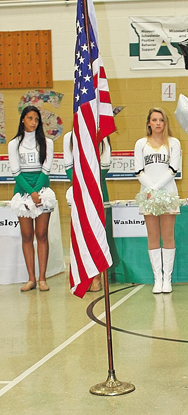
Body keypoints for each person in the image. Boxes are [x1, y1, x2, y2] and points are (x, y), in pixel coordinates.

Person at [8, 105, 55, 292]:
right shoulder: (14, 144)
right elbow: (16, 172)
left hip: (43, 192)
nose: (33, 123)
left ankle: (43, 278)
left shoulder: (47, 143)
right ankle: (31, 278)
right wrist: (30, 194)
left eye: (36, 119)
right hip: (22, 193)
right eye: (30, 118)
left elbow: (46, 169)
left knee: (42, 235)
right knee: (27, 236)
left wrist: (37, 193)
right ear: (22, 120)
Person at [134, 107, 181, 294]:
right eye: (154, 120)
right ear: (148, 123)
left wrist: (156, 188)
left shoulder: (174, 143)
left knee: (168, 236)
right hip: (147, 195)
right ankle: (157, 279)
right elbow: (138, 170)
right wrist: (151, 190)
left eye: (161, 120)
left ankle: (167, 279)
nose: (158, 123)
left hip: (168, 192)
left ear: (165, 122)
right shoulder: (141, 144)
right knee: (153, 236)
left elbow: (173, 169)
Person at [64, 130, 111, 291]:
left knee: (97, 234)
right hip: (79, 191)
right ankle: (84, 275)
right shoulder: (69, 137)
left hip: (98, 190)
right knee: (81, 234)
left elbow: (105, 165)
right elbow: (68, 166)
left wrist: (90, 186)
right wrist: (82, 185)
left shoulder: (103, 136)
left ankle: (97, 277)